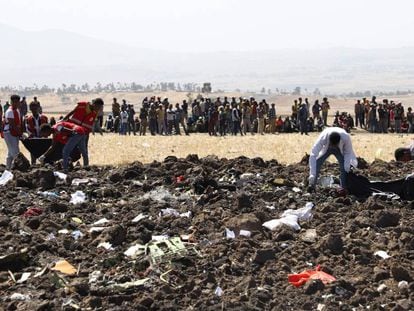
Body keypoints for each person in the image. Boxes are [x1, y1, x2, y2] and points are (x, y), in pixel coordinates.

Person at [308, 127, 358, 193]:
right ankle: (312, 185)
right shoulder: (324, 137)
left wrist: (347, 166)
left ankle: (343, 188)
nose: (333, 147)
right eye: (332, 145)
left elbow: (348, 152)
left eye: (335, 145)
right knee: (317, 164)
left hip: (339, 150)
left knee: (343, 168)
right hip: (327, 148)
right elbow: (313, 154)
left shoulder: (345, 137)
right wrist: (312, 174)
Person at [3, 95, 23, 169]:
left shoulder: (17, 110)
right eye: (14, 102)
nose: (15, 103)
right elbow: (13, 125)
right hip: (9, 133)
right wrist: (21, 134)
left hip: (14, 133)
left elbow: (18, 124)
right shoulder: (10, 111)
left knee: (10, 153)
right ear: (11, 102)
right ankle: (17, 169)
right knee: (15, 152)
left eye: (17, 102)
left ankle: (8, 168)